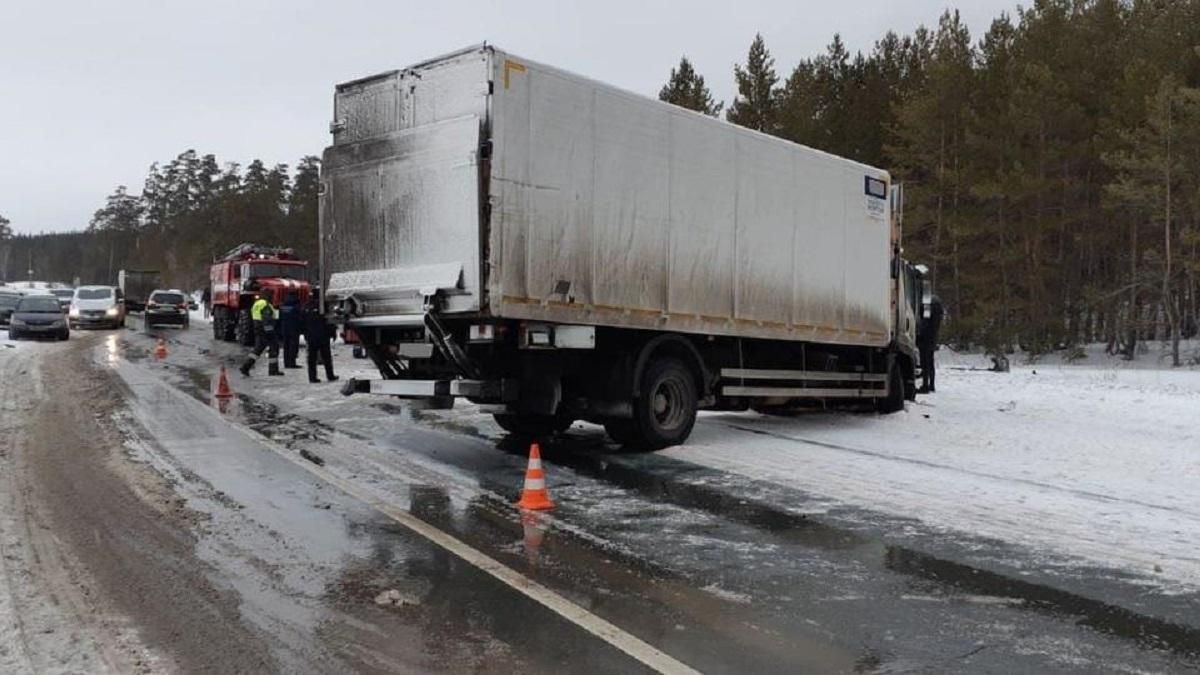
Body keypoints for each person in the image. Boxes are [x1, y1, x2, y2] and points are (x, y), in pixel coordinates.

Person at [240, 292, 283, 377]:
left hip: (258, 329)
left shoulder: (257, 303)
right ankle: (273, 370)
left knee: (257, 350)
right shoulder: (265, 304)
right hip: (266, 330)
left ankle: (246, 367)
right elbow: (266, 319)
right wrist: (270, 332)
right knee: (274, 348)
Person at [302, 297, 338, 383]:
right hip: (323, 336)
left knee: (311, 358)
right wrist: (333, 333)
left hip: (311, 336)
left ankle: (312, 377)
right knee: (326, 357)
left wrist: (305, 333)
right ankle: (330, 376)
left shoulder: (305, 307)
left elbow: (302, 322)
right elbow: (329, 321)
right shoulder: (324, 306)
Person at [917, 294, 944, 393]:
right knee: (930, 362)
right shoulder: (939, 310)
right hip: (932, 337)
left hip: (925, 338)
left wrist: (919, 333)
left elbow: (924, 322)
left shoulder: (928, 308)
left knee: (924, 362)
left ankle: (925, 385)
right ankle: (931, 384)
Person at [279, 291, 303, 369]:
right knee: (293, 345)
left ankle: (286, 363)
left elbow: (279, 317)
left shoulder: (283, 305)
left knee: (286, 345)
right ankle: (292, 363)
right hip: (294, 328)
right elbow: (300, 318)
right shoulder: (296, 306)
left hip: (284, 328)